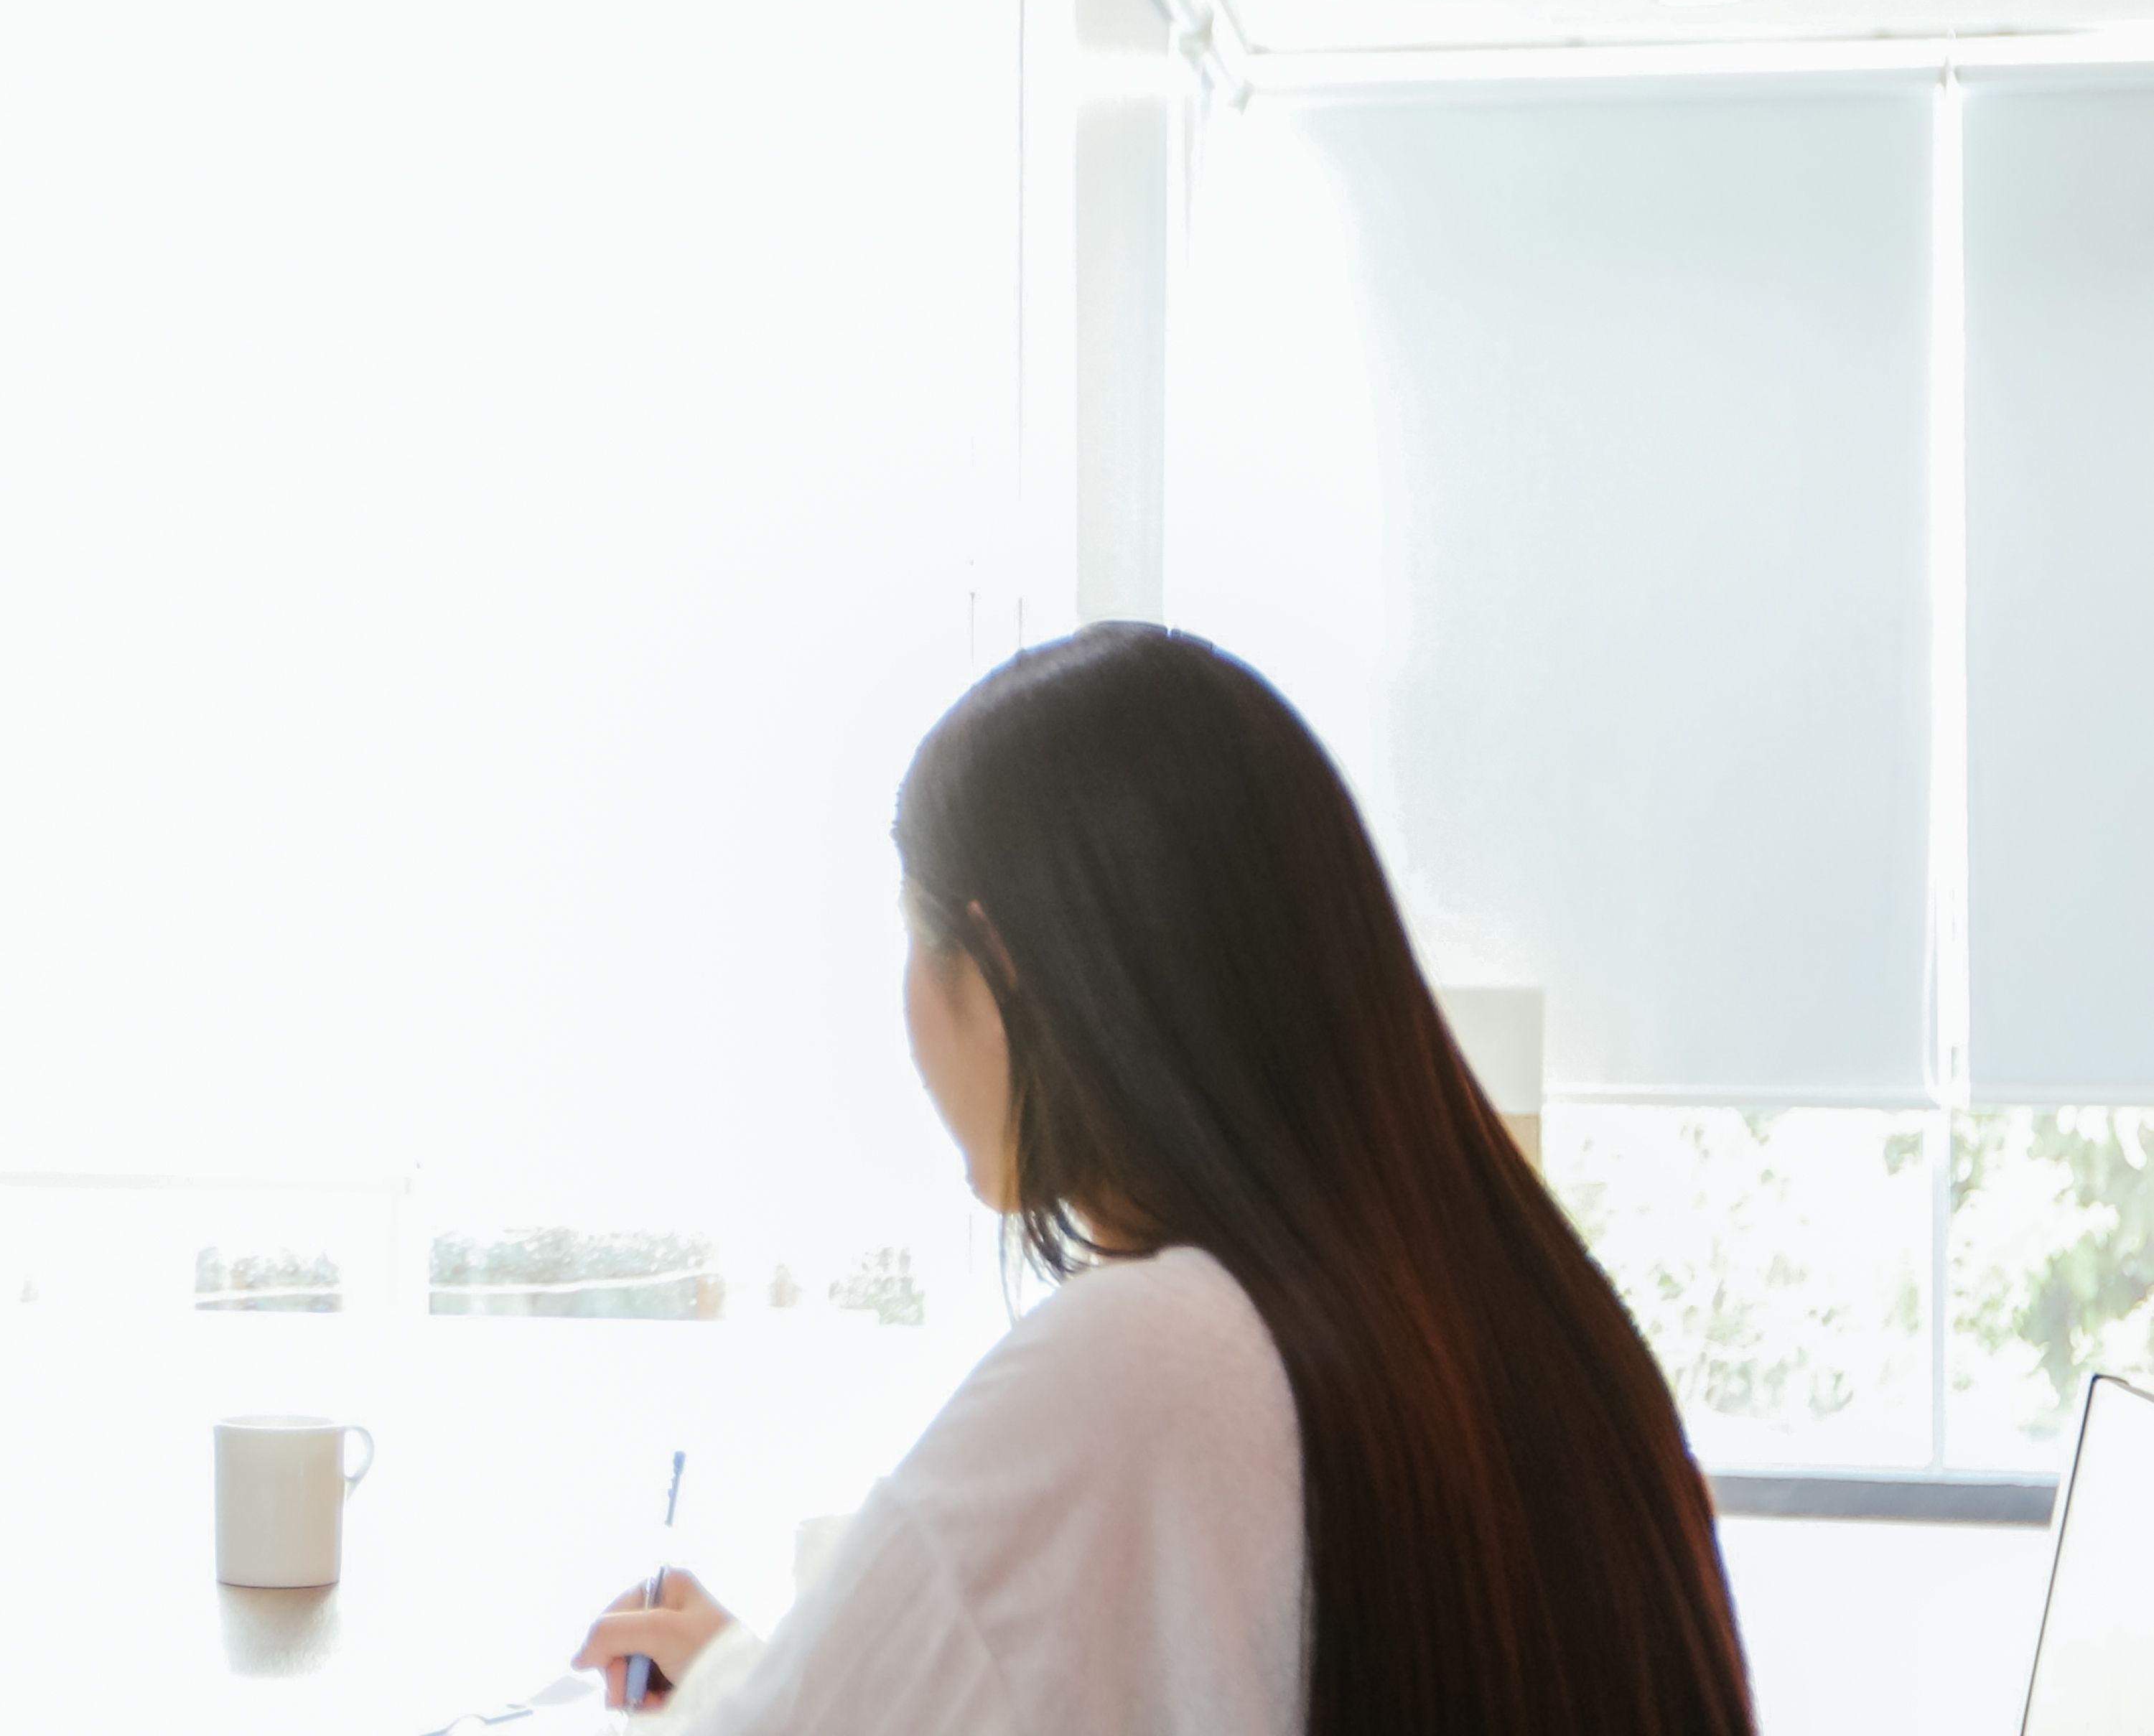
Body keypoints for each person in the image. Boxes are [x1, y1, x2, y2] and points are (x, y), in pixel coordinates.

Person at [574, 623, 1753, 1735]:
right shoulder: (1547, 1330)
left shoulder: (1148, 1358)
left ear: (998, 970)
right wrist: (751, 1667)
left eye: (910, 938)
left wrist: (757, 1683)